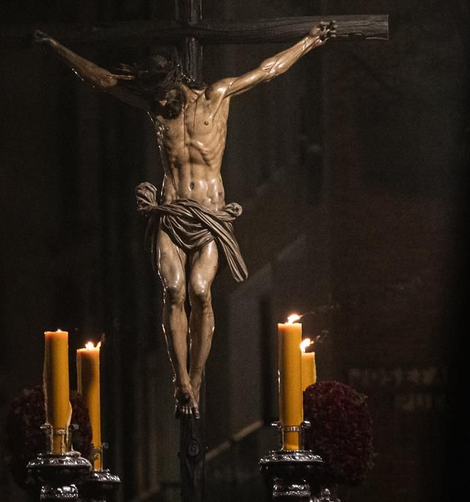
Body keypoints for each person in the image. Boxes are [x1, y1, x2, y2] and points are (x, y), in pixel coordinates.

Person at [37, 22, 336, 415]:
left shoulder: (217, 96)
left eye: (164, 95)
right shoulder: (156, 108)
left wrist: (310, 41)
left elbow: (269, 70)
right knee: (174, 291)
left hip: (209, 217)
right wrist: (58, 47)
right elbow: (105, 81)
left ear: (177, 82)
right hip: (172, 214)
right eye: (155, 98)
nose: (161, 104)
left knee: (199, 291)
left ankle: (196, 378)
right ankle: (180, 381)